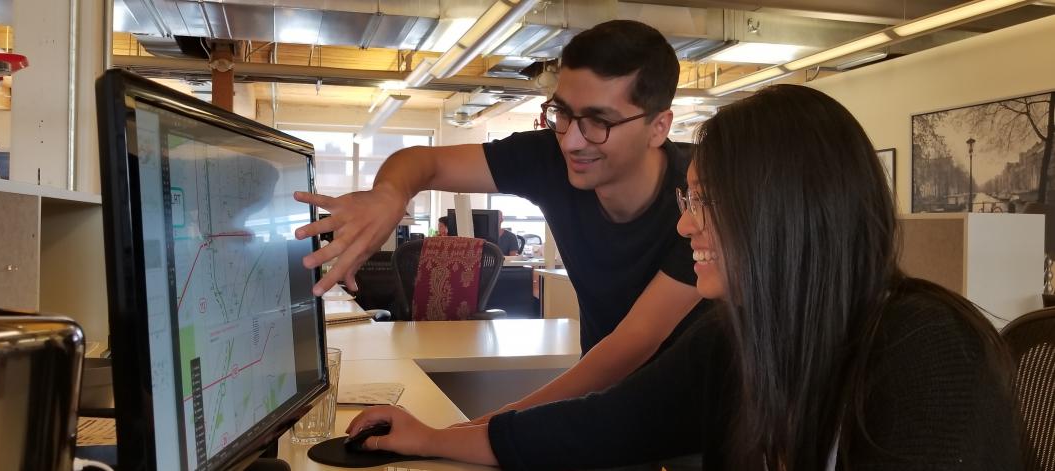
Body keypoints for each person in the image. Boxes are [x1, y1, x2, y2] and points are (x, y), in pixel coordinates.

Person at [344, 85, 1024, 470]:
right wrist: (429, 438)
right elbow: (599, 426)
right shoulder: (737, 339)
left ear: (776, 213)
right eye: (686, 199)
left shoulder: (927, 351)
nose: (685, 226)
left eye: (704, 202)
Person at [294, 19, 706, 421]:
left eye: (599, 121)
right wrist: (390, 193)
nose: (573, 141)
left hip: (703, 417)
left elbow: (633, 344)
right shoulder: (549, 156)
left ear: (659, 127)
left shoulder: (701, 197)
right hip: (612, 410)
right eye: (562, 114)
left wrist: (473, 431)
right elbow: (423, 161)